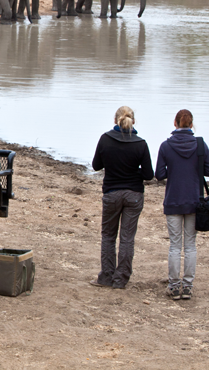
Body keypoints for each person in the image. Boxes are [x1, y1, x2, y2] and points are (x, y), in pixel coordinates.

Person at [155, 109, 209, 301]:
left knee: (175, 245)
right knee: (190, 245)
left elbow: (159, 174)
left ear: (175, 123)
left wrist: (175, 169)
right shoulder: (200, 145)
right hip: (194, 202)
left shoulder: (166, 146)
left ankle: (174, 286)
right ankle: (187, 286)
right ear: (191, 125)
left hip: (173, 201)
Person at [91, 106, 154, 289]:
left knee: (108, 236)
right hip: (134, 194)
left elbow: (96, 165)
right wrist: (133, 172)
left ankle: (106, 277)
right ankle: (121, 279)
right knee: (127, 238)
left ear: (115, 120)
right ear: (133, 121)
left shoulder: (105, 139)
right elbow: (149, 175)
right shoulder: (140, 143)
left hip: (111, 193)